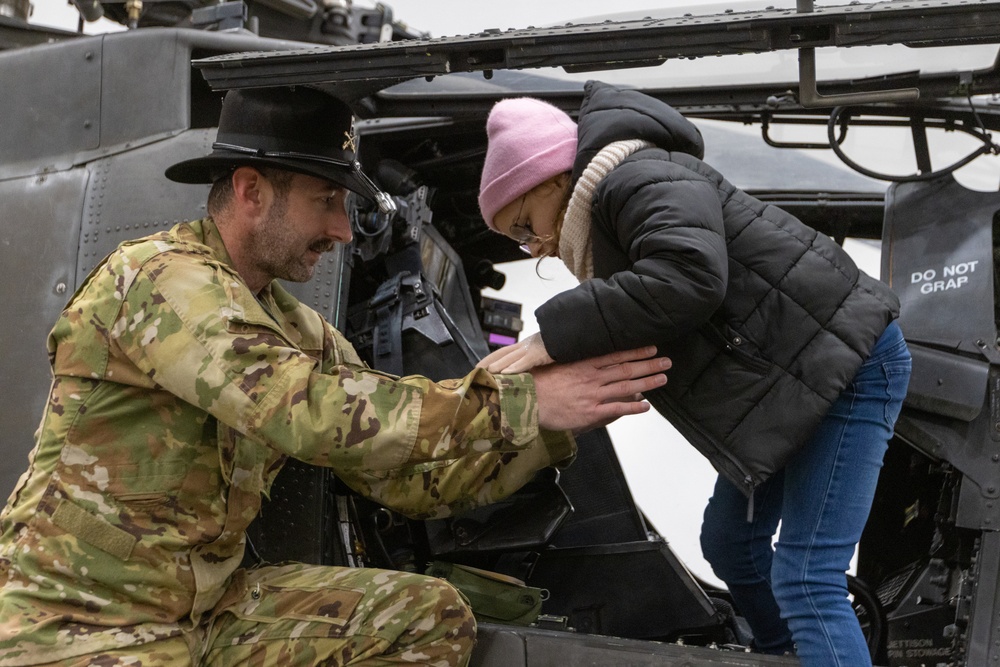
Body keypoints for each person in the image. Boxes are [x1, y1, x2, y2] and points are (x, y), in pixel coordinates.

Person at [0, 86, 672, 667]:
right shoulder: (162, 282)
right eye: (326, 200)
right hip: (81, 618)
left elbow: (409, 481)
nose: (342, 230)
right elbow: (306, 409)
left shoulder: (295, 328)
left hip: (204, 613)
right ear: (251, 191)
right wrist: (518, 403)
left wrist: (558, 417)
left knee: (425, 615)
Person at [476, 80, 912, 666]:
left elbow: (687, 278)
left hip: (846, 367)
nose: (533, 249)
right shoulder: (617, 209)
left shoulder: (638, 178)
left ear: (555, 179)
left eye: (526, 226)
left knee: (807, 578)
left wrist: (549, 338)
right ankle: (785, 655)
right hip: (793, 383)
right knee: (732, 546)